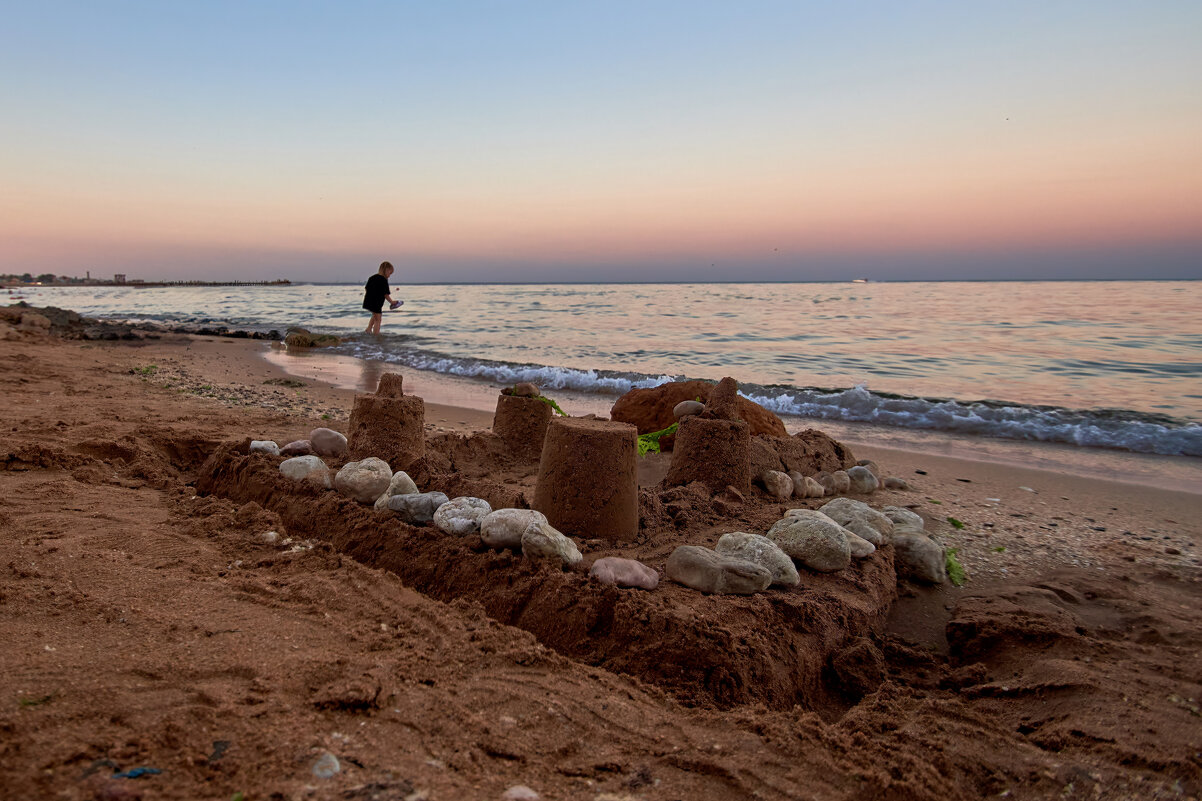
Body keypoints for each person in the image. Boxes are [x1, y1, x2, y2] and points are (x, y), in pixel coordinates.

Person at [362, 261, 398, 335]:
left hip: (368, 301)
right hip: (376, 303)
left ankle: (368, 329)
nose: (389, 276)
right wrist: (392, 302)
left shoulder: (372, 277)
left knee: (375, 315)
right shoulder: (383, 280)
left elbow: (366, 288)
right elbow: (386, 294)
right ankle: (376, 336)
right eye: (390, 273)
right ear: (386, 270)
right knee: (378, 320)